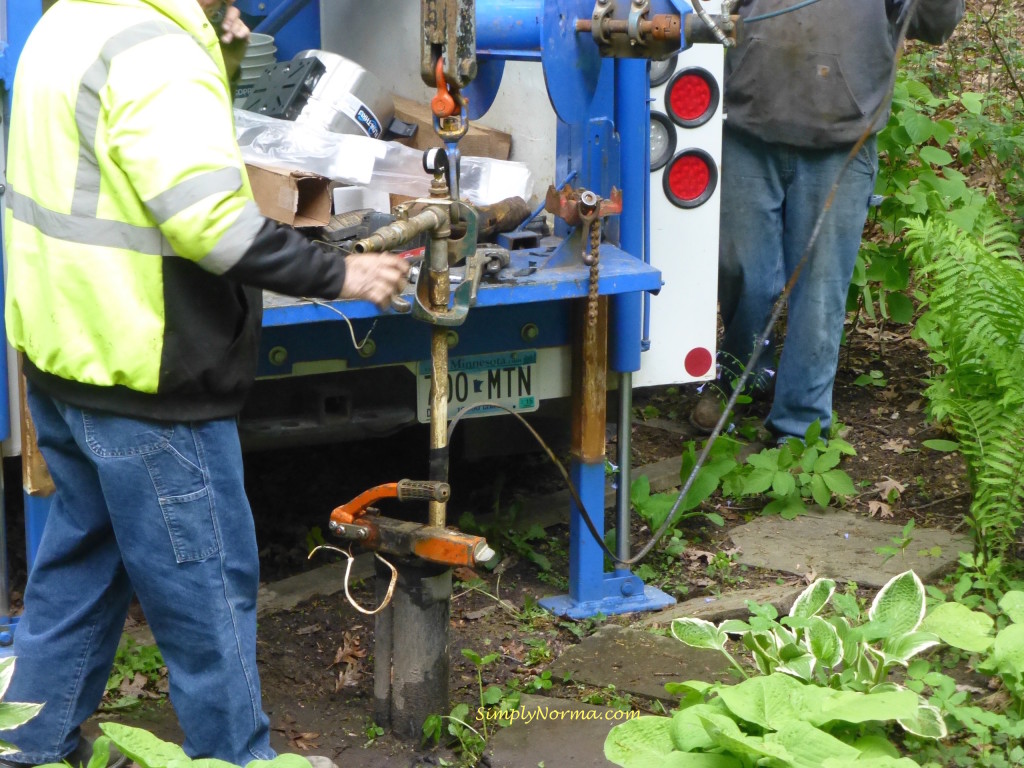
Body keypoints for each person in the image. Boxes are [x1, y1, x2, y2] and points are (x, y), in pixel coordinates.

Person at [2, 0, 409, 765]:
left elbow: (125, 168)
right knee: (206, 599)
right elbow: (212, 225)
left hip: (68, 357)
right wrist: (342, 270)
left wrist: (214, 58)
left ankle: (29, 747)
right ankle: (238, 760)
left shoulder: (70, 20)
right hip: (150, 381)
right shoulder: (160, 53)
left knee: (78, 575)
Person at [690, 0, 964, 442]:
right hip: (747, 125)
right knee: (744, 272)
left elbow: (935, 25)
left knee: (819, 293)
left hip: (841, 141)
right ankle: (743, 376)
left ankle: (798, 429)